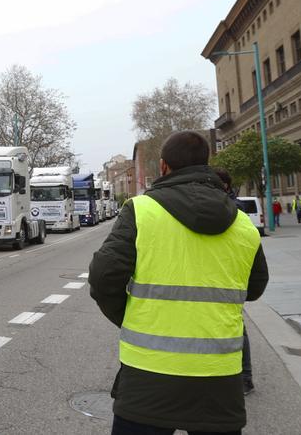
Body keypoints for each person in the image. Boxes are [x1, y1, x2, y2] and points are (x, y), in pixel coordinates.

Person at [89, 131, 268, 435]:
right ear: (207, 164)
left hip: (148, 376)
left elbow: (104, 277)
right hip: (219, 378)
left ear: (163, 167)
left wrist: (131, 317)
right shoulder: (242, 224)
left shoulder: (142, 211)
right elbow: (255, 287)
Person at [211, 169, 257, 397]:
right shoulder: (228, 207)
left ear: (227, 186)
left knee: (238, 329)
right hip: (224, 278)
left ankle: (245, 376)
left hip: (227, 277)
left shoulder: (235, 210)